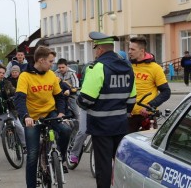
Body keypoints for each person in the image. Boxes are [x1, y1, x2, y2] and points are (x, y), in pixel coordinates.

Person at [77, 32, 136, 188]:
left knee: (103, 168)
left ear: (100, 50)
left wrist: (79, 101)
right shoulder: (127, 67)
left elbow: (86, 99)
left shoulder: (97, 67)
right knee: (121, 165)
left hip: (101, 127)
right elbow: (132, 99)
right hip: (121, 125)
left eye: (95, 48)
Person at [14, 46, 71, 188]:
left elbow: (59, 97)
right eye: (50, 62)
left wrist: (61, 113)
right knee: (32, 156)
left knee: (65, 130)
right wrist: (25, 116)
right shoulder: (25, 76)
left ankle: (60, 159)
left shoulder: (51, 75)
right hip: (32, 117)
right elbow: (20, 99)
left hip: (50, 113)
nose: (52, 65)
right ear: (41, 60)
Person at [128, 36, 171, 133]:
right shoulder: (127, 66)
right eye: (129, 49)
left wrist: (150, 105)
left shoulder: (155, 68)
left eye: (132, 49)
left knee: (147, 146)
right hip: (129, 115)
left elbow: (166, 92)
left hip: (146, 115)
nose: (129, 52)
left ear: (142, 51)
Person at [0, 64, 26, 151]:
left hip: (9, 110)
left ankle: (24, 146)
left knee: (20, 127)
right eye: (0, 72)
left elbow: (14, 91)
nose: (2, 74)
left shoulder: (6, 82)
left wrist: (16, 95)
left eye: (3, 73)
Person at [54, 58, 83, 163]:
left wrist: (69, 90)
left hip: (71, 97)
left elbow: (76, 87)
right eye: (59, 67)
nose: (61, 69)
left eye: (63, 67)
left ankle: (77, 135)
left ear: (66, 66)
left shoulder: (72, 73)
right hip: (59, 97)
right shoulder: (55, 73)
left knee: (77, 116)